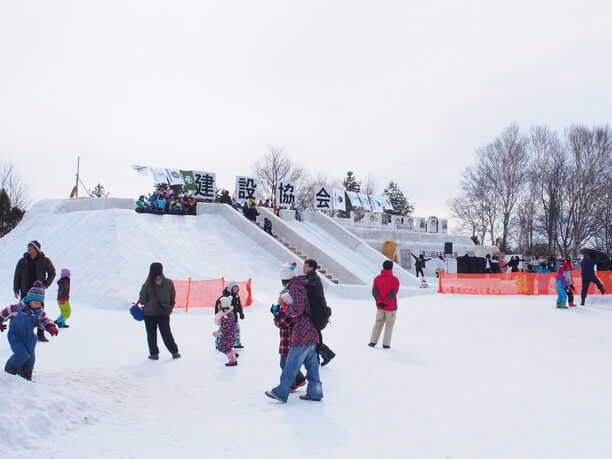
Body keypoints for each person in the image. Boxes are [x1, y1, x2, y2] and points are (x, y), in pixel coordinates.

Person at [265, 263, 323, 403]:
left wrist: (285, 307)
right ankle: (315, 393)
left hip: (302, 331)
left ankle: (281, 392)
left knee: (291, 363)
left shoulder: (294, 288)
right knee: (311, 364)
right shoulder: (302, 285)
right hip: (311, 330)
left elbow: (297, 309)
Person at [0, 281, 59, 380]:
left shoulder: (39, 312)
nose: (37, 305)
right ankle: (10, 370)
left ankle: (26, 376)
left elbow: (44, 320)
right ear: (29, 300)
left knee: (31, 359)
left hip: (29, 337)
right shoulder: (16, 308)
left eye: (39, 303)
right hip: (16, 336)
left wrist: (50, 327)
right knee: (22, 355)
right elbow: (3, 314)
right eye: (35, 302)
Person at [13, 240, 56, 342]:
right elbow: (17, 276)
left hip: (38, 293)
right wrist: (16, 289)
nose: (28, 249)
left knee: (39, 313)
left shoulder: (45, 260)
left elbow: (52, 272)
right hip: (25, 291)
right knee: (22, 313)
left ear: (36, 249)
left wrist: (45, 284)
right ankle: (22, 333)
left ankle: (40, 334)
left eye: (31, 247)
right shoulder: (22, 261)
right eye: (28, 247)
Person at [138, 262, 180, 360]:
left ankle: (154, 354)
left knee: (151, 334)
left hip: (149, 313)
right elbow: (172, 297)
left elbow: (143, 300)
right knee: (166, 333)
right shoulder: (169, 282)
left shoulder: (147, 283)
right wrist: (169, 308)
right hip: (163, 313)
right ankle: (174, 352)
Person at [271, 293, 307, 391]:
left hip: (289, 342)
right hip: (286, 341)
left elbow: (280, 323)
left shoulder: (290, 312)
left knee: (284, 364)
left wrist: (276, 314)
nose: (278, 301)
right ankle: (300, 379)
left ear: (286, 301)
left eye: (281, 299)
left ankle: (290, 385)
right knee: (290, 363)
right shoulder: (285, 310)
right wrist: (277, 311)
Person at [303, 259, 335, 366]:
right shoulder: (310, 278)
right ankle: (322, 354)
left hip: (317, 313)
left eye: (306, 266)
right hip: (316, 312)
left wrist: (304, 285)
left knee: (313, 335)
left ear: (312, 268)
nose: (304, 267)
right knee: (314, 334)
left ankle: (325, 353)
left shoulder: (314, 279)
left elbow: (313, 291)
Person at [369, 260, 400, 349]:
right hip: (390, 307)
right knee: (389, 325)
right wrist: (386, 302)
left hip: (380, 307)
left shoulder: (377, 278)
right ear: (392, 268)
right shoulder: (395, 280)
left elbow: (374, 292)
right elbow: (393, 293)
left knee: (378, 323)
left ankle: (372, 342)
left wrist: (380, 302)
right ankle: (386, 344)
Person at [213, 296, 238, 366]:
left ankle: (232, 360)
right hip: (228, 335)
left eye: (219, 304)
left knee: (226, 348)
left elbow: (226, 327)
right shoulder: (226, 313)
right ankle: (233, 354)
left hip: (229, 335)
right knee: (226, 347)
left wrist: (218, 332)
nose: (218, 306)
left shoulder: (228, 315)